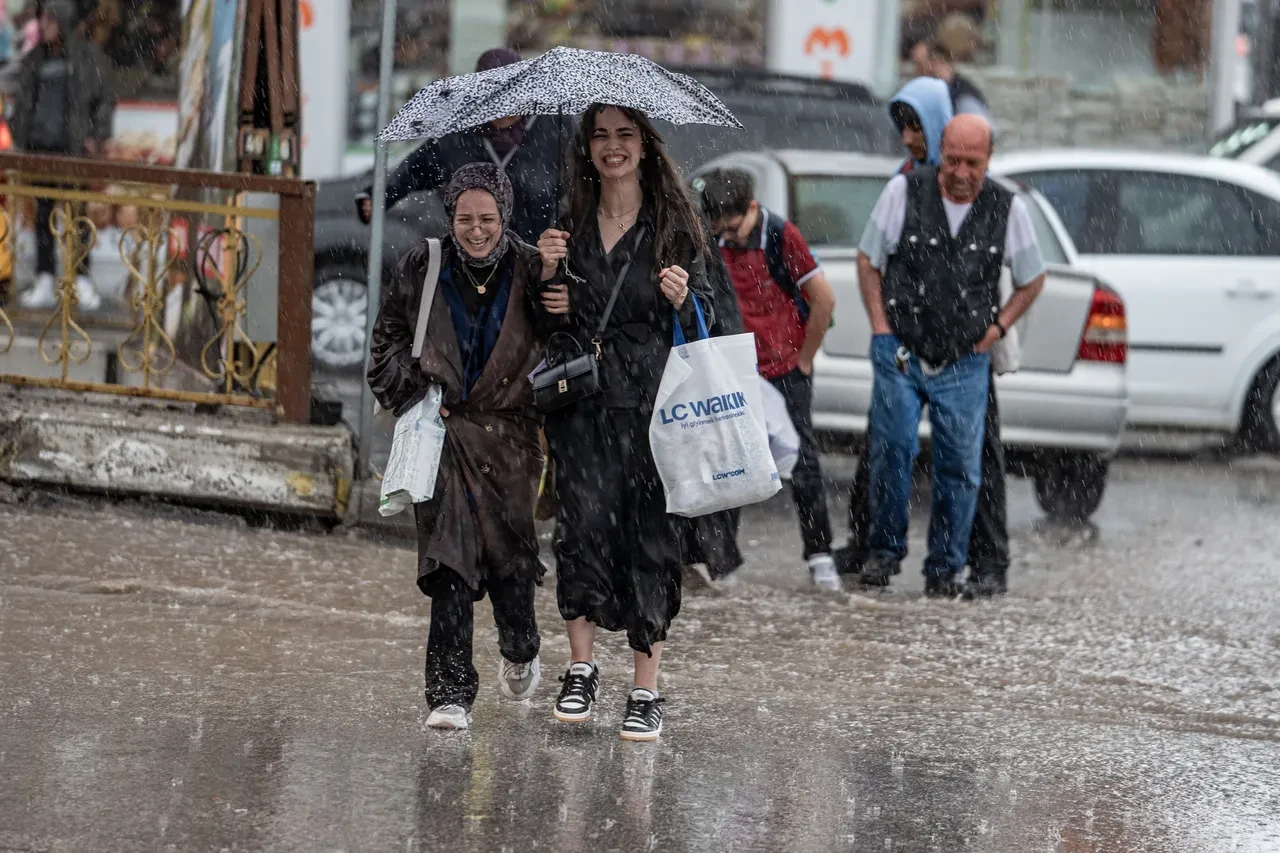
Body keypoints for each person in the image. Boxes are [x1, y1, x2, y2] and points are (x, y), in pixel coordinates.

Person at [535, 103, 715, 742]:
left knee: (649, 537)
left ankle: (646, 686)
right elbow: (550, 323)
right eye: (601, 136)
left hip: (650, 407)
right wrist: (549, 280)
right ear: (586, 147)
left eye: (625, 136)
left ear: (645, 146)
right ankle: (580, 670)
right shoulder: (568, 222)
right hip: (582, 406)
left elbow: (709, 320)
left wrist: (683, 298)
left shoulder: (673, 225)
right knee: (580, 529)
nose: (613, 147)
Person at [367, 164, 548, 731]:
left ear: (505, 217)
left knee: (511, 566)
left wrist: (560, 277)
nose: (476, 230)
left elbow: (563, 339)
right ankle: (448, 693)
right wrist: (419, 392)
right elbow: (386, 341)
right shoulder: (424, 264)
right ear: (450, 217)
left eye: (487, 219)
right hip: (443, 436)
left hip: (511, 441)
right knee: (448, 561)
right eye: (465, 219)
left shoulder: (533, 267)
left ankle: (521, 648)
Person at [835, 78, 1015, 597]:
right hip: (905, 344)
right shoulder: (907, 184)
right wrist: (883, 329)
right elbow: (875, 257)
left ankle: (981, 560)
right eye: (903, 127)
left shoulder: (981, 192)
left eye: (917, 126)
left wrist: (991, 330)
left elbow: (1005, 270)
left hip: (965, 347)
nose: (909, 137)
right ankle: (875, 545)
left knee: (972, 458)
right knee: (885, 446)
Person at [697, 167, 840, 591]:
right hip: (738, 370)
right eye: (722, 230)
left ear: (753, 208)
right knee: (732, 462)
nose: (731, 238)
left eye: (736, 228)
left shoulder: (781, 236)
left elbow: (824, 301)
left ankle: (820, 557)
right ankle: (724, 565)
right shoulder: (713, 239)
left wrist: (806, 359)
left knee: (804, 464)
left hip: (785, 371)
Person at [356, 47, 574, 246]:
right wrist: (379, 196)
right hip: (475, 263)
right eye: (494, 96)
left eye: (512, 93)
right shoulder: (460, 134)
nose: (505, 106)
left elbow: (586, 184)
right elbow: (416, 168)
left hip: (539, 261)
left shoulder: (555, 126)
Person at [10, 0, 113, 312]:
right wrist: (20, 136)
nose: (44, 25)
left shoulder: (86, 57)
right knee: (42, 216)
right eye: (43, 19)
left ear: (64, 21)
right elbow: (22, 104)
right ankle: (45, 277)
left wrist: (96, 135)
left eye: (51, 19)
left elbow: (105, 99)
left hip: (72, 151)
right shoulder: (34, 60)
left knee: (77, 216)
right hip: (40, 150)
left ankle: (80, 279)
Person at [910, 38, 991, 123]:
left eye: (919, 65)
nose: (916, 72)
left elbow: (981, 128)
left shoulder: (963, 96)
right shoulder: (922, 94)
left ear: (937, 61)